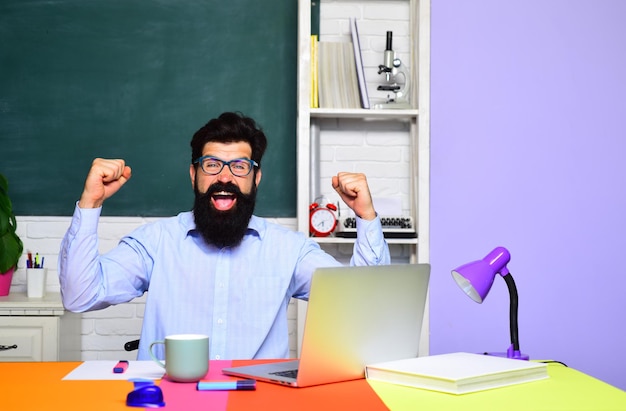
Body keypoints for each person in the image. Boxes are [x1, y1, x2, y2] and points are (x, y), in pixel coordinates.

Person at [59, 111, 390, 360]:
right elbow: (80, 296)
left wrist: (366, 215)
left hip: (260, 402)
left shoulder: (289, 250)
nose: (225, 177)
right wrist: (90, 203)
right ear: (194, 175)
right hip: (172, 402)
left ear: (255, 178)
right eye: (212, 165)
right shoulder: (155, 243)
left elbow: (368, 306)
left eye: (239, 167)